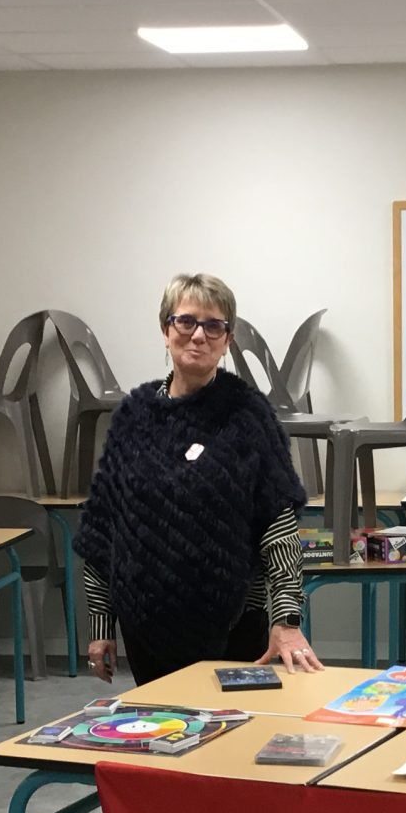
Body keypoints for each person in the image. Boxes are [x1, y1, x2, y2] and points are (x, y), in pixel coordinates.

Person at [73, 274, 324, 687]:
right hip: (145, 628)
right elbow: (103, 531)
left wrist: (286, 620)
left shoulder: (248, 416)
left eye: (213, 326)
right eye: (186, 321)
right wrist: (101, 626)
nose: (199, 335)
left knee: (236, 726)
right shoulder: (134, 417)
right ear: (166, 330)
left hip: (235, 627)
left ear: (227, 340)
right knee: (163, 724)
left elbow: (278, 527)